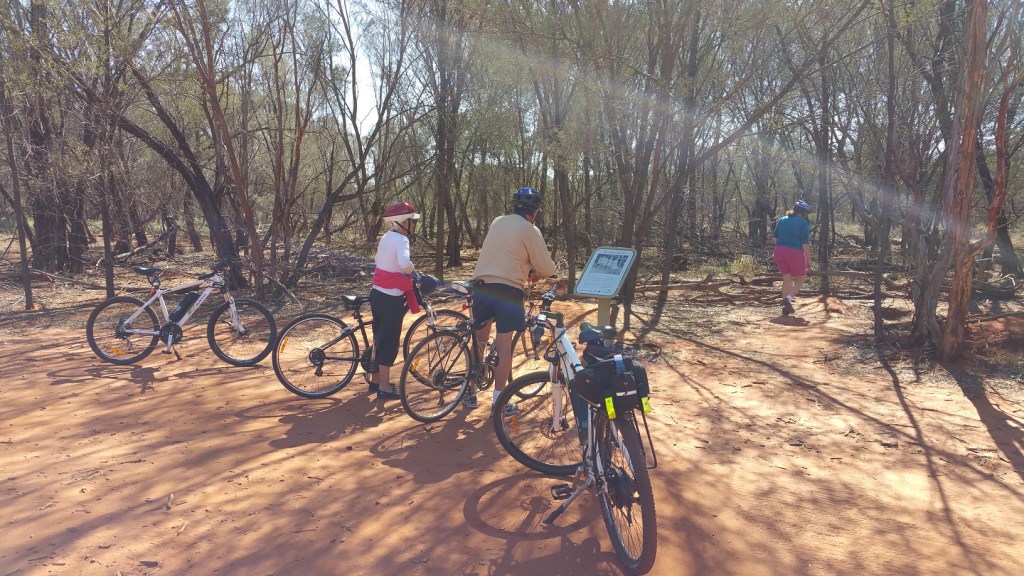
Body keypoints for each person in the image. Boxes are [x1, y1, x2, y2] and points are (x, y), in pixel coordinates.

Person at [470, 187, 557, 415]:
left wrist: (524, 266)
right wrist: (534, 270)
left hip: (481, 285)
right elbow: (547, 269)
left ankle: (469, 392)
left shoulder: (498, 221)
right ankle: (499, 401)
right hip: (507, 289)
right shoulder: (530, 229)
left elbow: (505, 253)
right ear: (535, 212)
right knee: (504, 344)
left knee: (479, 341)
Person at [369, 201, 421, 400]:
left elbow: (379, 261)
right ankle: (384, 386)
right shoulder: (401, 240)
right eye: (411, 221)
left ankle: (375, 380)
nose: (413, 225)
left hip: (377, 293)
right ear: (402, 222)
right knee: (389, 340)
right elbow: (404, 263)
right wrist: (412, 272)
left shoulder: (386, 237)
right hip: (392, 298)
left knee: (379, 337)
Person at [773, 200, 812, 316]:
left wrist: (783, 247)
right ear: (803, 213)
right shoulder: (802, 223)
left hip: (779, 250)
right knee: (801, 278)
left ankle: (785, 307)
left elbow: (775, 238)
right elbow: (805, 243)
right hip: (794, 252)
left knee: (787, 278)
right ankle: (788, 299)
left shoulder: (783, 219)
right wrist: (808, 259)